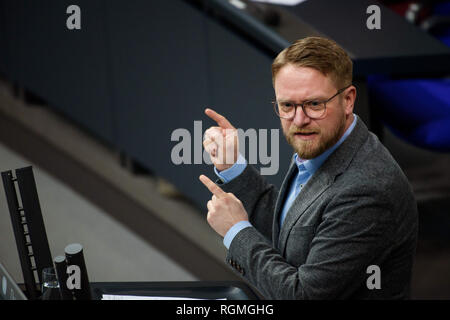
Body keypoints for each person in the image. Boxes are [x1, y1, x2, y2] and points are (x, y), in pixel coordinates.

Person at [199, 37, 418, 299]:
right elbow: (291, 234)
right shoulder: (324, 145)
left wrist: (237, 232)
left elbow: (303, 296)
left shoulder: (367, 190)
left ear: (348, 100)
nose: (299, 120)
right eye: (287, 106)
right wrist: (233, 167)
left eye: (315, 104)